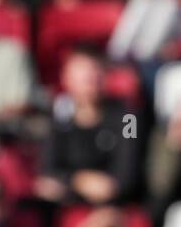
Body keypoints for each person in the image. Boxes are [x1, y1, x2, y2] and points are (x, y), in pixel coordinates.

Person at [35, 48, 141, 206]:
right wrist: (78, 181)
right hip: (67, 205)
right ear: (66, 78)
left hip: (119, 206)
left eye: (96, 70)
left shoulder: (128, 117)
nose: (90, 78)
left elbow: (128, 173)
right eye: (82, 72)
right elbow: (48, 174)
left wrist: (109, 187)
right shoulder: (57, 115)